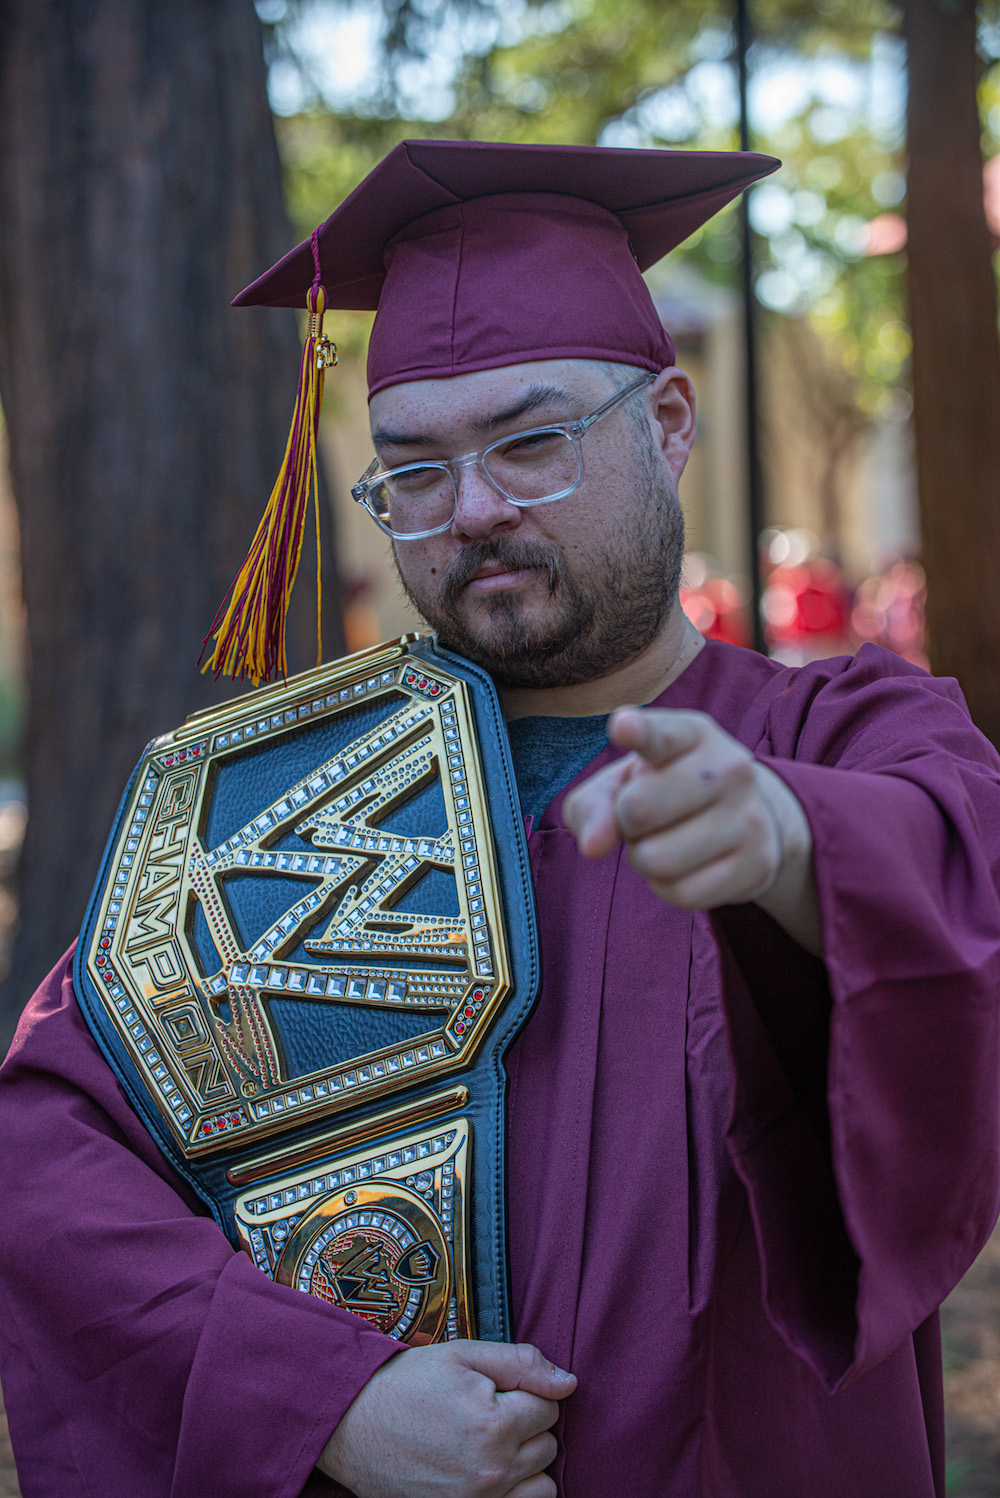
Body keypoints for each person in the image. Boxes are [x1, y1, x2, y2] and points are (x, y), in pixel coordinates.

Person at [2, 139, 1000, 1498]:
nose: (473, 510)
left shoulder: (842, 737)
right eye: (415, 470)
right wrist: (326, 1399)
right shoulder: (272, 812)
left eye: (531, 442)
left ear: (667, 423)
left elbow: (961, 865)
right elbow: (44, 1158)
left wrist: (789, 845)